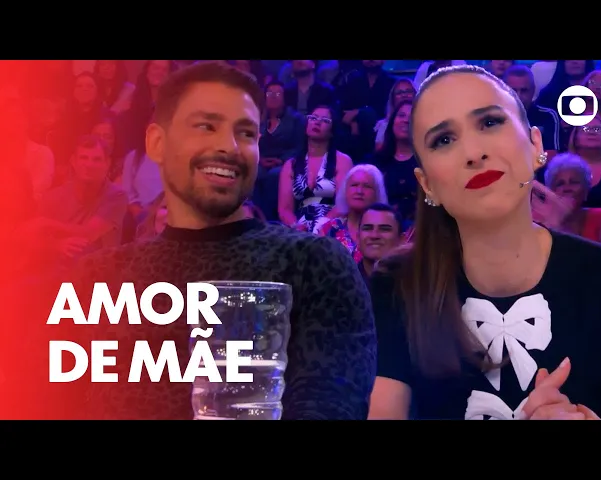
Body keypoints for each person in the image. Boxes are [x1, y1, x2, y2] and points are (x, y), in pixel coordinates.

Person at [62, 61, 376, 420]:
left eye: (246, 133)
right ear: (157, 143)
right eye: (206, 126)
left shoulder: (313, 264)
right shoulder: (97, 278)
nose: (229, 146)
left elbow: (330, 401)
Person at [369, 65, 601, 420]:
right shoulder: (397, 286)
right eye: (444, 140)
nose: (473, 152)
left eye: (490, 122)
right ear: (427, 185)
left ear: (535, 145)